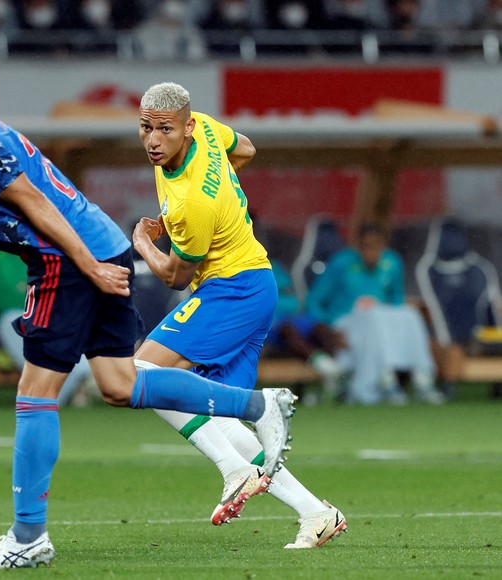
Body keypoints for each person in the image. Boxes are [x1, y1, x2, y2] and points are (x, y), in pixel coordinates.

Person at [0, 28, 296, 570]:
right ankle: (260, 405)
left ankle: (28, 537)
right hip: (99, 243)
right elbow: (22, 199)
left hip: (68, 260)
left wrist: (87, 266)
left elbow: (35, 199)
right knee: (120, 384)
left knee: (34, 393)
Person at [131, 82, 346, 549]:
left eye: (164, 130)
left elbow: (172, 276)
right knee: (218, 412)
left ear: (186, 127)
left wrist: (143, 241)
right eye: (145, 128)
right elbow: (245, 148)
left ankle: (233, 470)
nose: (152, 140)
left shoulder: (193, 204)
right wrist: (224, 196)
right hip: (254, 282)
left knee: (139, 374)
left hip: (232, 290)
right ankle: (317, 513)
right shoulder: (206, 128)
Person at [306, 222, 445, 404]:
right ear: (358, 245)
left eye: (375, 246)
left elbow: (396, 300)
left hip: (379, 322)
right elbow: (314, 301)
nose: (370, 252)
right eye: (366, 246)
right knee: (374, 316)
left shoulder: (392, 262)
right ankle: (383, 377)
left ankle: (422, 375)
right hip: (346, 322)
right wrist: (329, 327)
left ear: (383, 245)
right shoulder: (341, 263)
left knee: (410, 314)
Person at [0, 237, 96, 407]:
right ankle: (46, 399)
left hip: (47, 319)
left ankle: (46, 399)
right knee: (13, 319)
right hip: (10, 325)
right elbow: (0, 299)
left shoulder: (44, 251)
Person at [268, 258, 346, 401]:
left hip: (293, 314)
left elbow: (289, 291)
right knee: (287, 331)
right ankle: (323, 365)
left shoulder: (275, 267)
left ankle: (332, 372)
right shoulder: (247, 268)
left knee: (320, 328)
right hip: (271, 321)